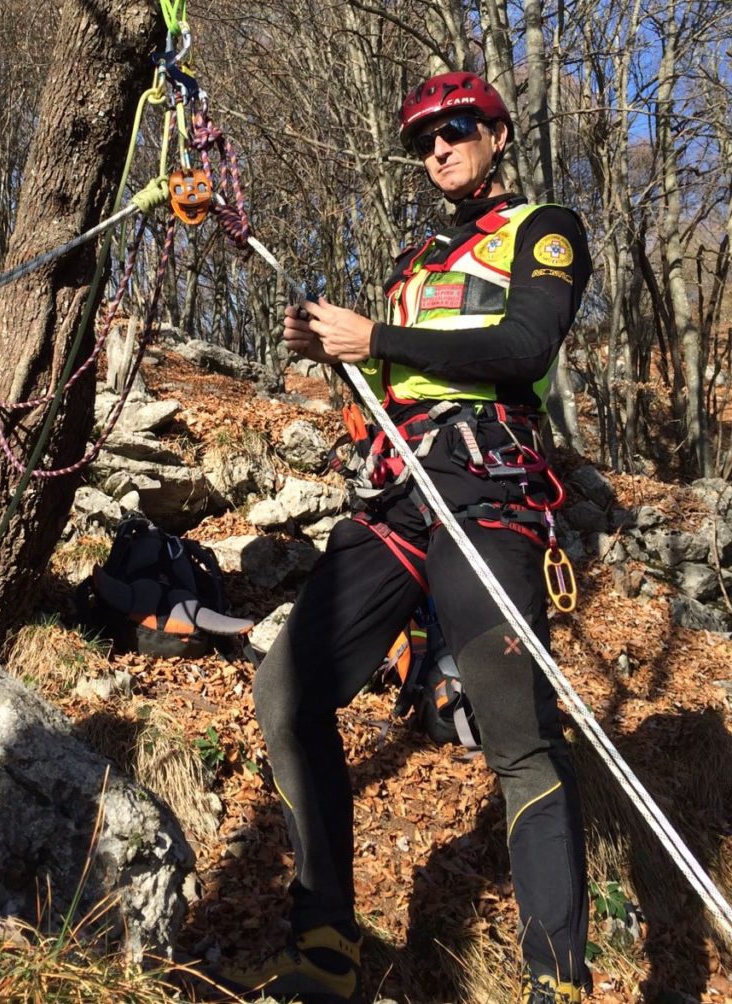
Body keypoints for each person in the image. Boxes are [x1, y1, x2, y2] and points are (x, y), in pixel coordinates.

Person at [221, 71, 592, 1004]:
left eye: (456, 128)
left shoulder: (543, 230)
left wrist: (376, 340)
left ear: (497, 135)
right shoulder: (414, 259)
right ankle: (327, 948)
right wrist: (341, 359)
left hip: (485, 490)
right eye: (423, 137)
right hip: (397, 499)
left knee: (515, 735)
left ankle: (558, 980)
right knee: (287, 691)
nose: (438, 147)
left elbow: (521, 351)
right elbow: (392, 387)